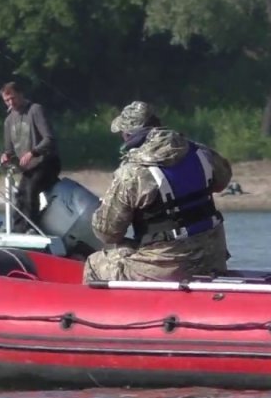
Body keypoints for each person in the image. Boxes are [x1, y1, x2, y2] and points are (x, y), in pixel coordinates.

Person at [82, 101, 232, 283]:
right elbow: (222, 180)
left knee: (95, 263)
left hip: (170, 266)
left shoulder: (132, 173)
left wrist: (103, 208)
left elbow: (108, 233)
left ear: (128, 134)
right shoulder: (200, 152)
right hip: (213, 258)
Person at [0, 82, 61, 232]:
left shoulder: (35, 110)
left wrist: (33, 152)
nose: (11, 103)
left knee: (31, 191)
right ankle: (18, 230)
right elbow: (9, 150)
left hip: (47, 163)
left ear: (21, 94)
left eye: (13, 98)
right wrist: (5, 156)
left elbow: (49, 139)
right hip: (29, 168)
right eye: (7, 100)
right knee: (20, 196)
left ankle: (31, 228)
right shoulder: (8, 121)